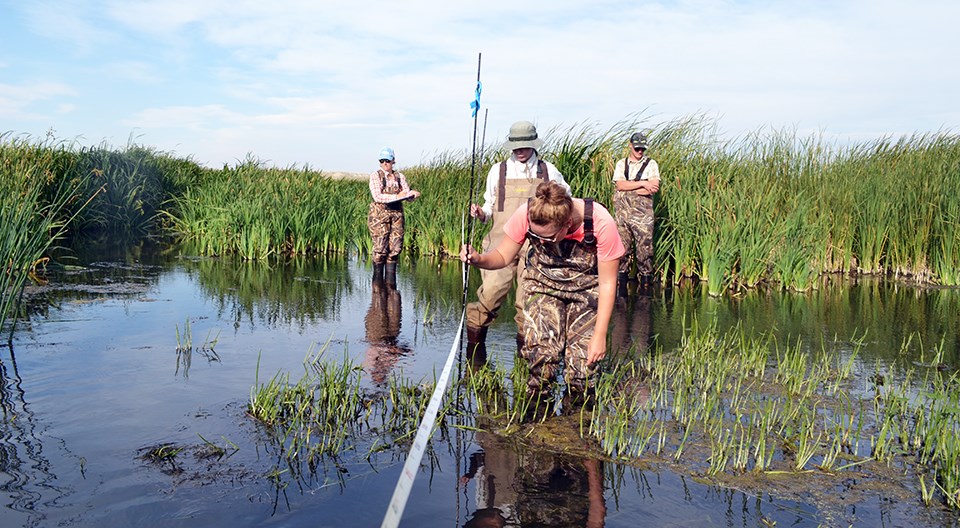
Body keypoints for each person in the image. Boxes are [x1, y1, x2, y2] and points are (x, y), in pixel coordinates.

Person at [461, 181, 624, 411]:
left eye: (549, 238)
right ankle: (534, 421)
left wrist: (600, 334)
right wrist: (478, 258)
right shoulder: (526, 214)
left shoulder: (600, 222)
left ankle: (576, 426)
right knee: (543, 358)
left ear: (567, 224)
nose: (543, 242)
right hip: (542, 286)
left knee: (582, 371)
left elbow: (608, 283)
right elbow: (502, 255)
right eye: (538, 238)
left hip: (586, 291)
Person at [466, 121, 570, 355]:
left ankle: (524, 364)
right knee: (490, 295)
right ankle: (474, 355)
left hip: (537, 248)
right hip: (500, 243)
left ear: (533, 145)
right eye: (516, 146)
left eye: (524, 145)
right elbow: (489, 207)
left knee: (527, 304)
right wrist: (481, 213)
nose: (520, 150)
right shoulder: (498, 170)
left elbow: (566, 202)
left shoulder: (548, 171)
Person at [612, 132, 661, 293]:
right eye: (637, 148)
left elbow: (653, 187)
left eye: (642, 148)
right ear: (630, 145)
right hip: (622, 216)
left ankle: (646, 290)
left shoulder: (651, 164)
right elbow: (619, 186)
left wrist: (632, 186)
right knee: (622, 250)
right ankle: (621, 290)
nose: (640, 151)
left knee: (645, 251)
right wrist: (642, 184)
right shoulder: (621, 164)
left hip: (643, 216)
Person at [368, 146, 420, 285]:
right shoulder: (375, 176)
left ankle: (391, 292)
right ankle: (377, 291)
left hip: (397, 215)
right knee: (380, 251)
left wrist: (412, 195)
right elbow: (378, 196)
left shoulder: (400, 177)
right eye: (382, 160)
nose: (385, 163)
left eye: (388, 160)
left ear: (393, 161)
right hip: (379, 217)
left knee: (395, 250)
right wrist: (398, 195)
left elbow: (406, 194)